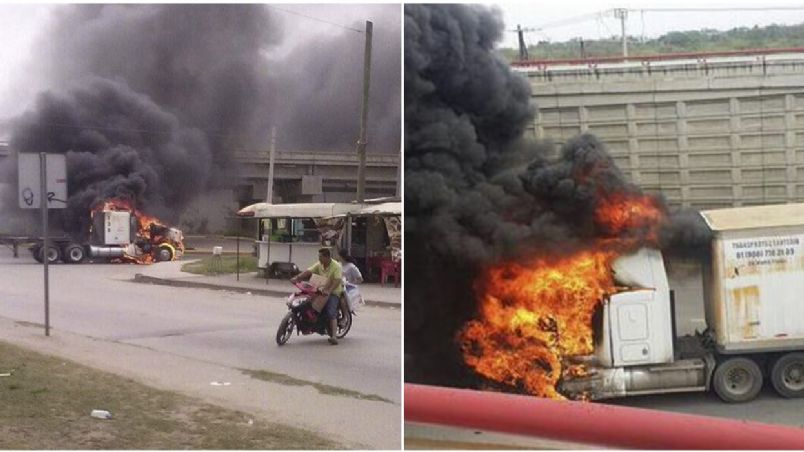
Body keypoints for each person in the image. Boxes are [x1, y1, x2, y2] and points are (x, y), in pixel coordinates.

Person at [290, 247, 344, 345]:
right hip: (320, 289)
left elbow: (337, 281)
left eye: (321, 257)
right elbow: (309, 271)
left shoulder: (336, 266)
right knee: (307, 302)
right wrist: (297, 278)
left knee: (331, 312)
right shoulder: (319, 265)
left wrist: (329, 291)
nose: (319, 259)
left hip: (333, 291)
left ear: (327, 257)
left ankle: (334, 337)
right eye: (319, 257)